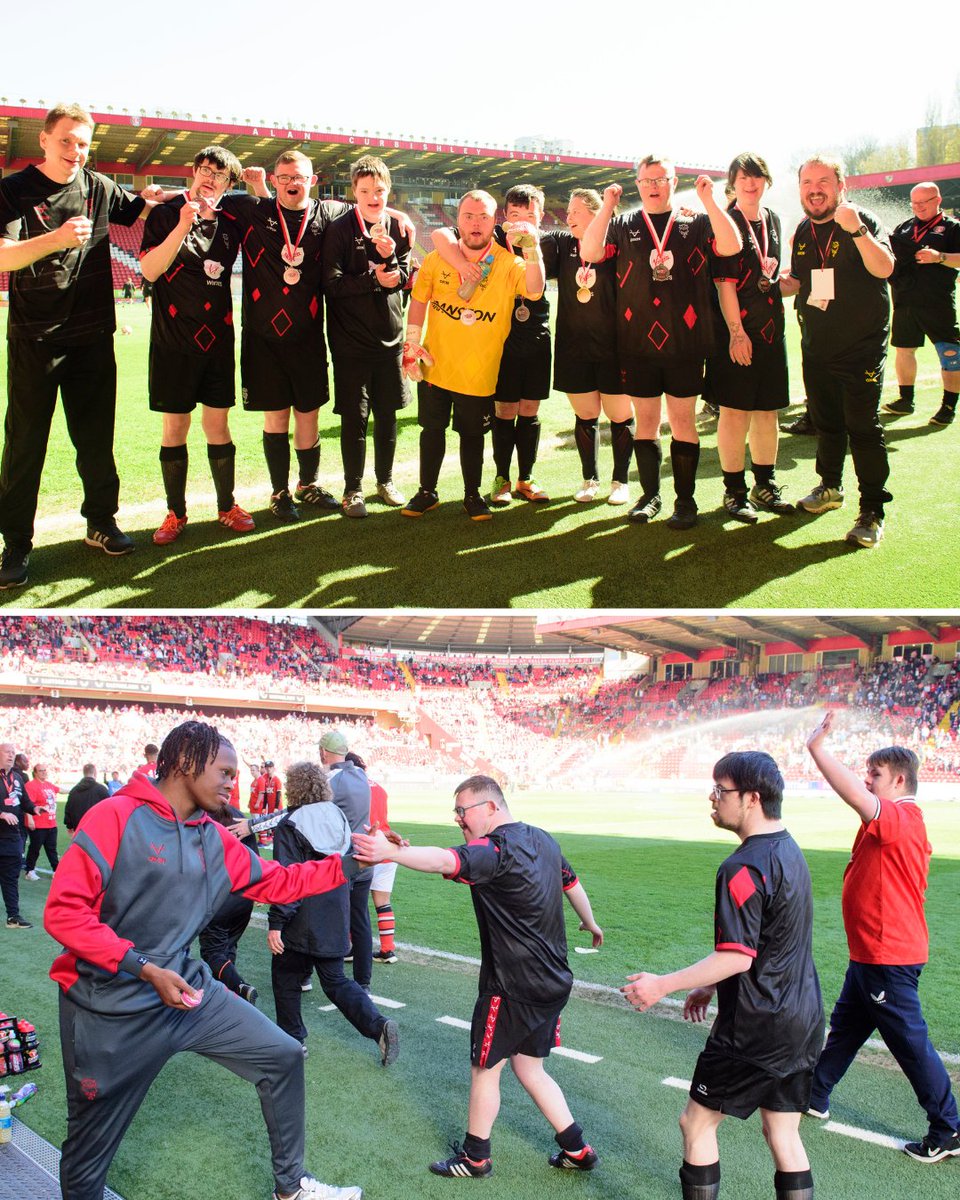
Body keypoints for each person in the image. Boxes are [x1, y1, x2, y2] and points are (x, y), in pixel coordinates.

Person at [44, 720, 362, 1200]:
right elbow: (64, 913)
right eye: (225, 772)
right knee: (87, 1157)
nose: (233, 782)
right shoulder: (115, 816)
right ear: (185, 762)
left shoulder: (211, 837)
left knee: (282, 1055)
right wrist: (143, 967)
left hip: (185, 993)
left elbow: (279, 881)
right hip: (107, 1009)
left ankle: (291, 1189)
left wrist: (354, 862)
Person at [353, 774, 603, 1179]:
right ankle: (577, 1148)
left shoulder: (495, 849)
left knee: (486, 1070)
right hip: (554, 981)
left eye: (462, 810)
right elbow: (571, 884)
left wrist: (390, 853)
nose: (457, 819)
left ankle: (475, 1158)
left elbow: (444, 861)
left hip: (512, 986)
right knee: (530, 1068)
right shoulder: (544, 840)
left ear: (490, 807)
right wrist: (590, 923)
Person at [623, 751, 823, 1200]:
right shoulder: (790, 850)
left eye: (721, 790)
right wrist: (710, 984)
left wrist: (661, 984)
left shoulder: (742, 867)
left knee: (696, 1124)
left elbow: (737, 957)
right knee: (782, 1133)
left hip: (755, 1028)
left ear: (751, 798)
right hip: (803, 1021)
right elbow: (767, 940)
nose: (713, 799)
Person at [0, 103, 170, 589]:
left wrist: (155, 197)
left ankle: (101, 522)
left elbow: (137, 207)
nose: (75, 151)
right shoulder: (13, 190)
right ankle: (15, 542)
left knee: (96, 438)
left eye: (82, 143)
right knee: (24, 443)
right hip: (36, 338)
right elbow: (3, 256)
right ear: (44, 140)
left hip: (93, 336)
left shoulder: (98, 186)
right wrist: (55, 239)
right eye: (66, 140)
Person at [804, 711, 960, 1163]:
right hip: (872, 954)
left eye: (875, 774)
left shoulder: (900, 817)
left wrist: (817, 748)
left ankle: (948, 1128)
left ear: (899, 780)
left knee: (909, 1043)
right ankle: (814, 1094)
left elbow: (853, 795)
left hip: (887, 955)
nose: (867, 781)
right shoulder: (898, 819)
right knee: (846, 1029)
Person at [580, 157, 741, 528]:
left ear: (674, 182)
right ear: (637, 184)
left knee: (683, 422)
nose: (653, 186)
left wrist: (710, 201)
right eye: (646, 180)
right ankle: (650, 496)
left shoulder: (696, 221)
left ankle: (685, 501)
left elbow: (731, 246)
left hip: (685, 343)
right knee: (647, 423)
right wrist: (606, 205)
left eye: (661, 179)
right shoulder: (622, 224)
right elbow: (589, 253)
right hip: (637, 343)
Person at [400, 189, 545, 521]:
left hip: (479, 372)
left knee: (473, 436)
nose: (476, 224)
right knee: (431, 431)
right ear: (458, 220)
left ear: (494, 222)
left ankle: (472, 495)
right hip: (435, 366)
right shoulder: (438, 258)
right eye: (468, 216)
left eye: (483, 217)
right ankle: (427, 492)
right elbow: (419, 299)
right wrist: (411, 342)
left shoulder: (509, 263)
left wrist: (532, 248)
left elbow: (535, 290)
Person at [141, 146, 255, 546]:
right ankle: (176, 513)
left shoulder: (232, 220)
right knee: (175, 427)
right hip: (172, 341)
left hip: (218, 340)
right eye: (204, 169)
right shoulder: (165, 215)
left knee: (218, 425)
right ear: (193, 171)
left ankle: (227, 506)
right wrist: (181, 224)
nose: (210, 177)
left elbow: (275, 208)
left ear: (228, 183)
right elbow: (150, 270)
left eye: (219, 174)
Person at [780, 157, 894, 549]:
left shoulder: (862, 220)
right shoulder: (803, 229)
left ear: (841, 186)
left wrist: (857, 230)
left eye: (823, 181)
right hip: (817, 345)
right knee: (827, 424)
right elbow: (801, 281)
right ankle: (830, 487)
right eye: (807, 182)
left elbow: (885, 268)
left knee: (862, 427)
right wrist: (771, 284)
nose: (815, 189)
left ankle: (872, 510)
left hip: (861, 348)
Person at [229, 152, 347, 521]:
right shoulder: (253, 209)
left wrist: (398, 214)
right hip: (263, 337)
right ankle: (279, 492)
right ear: (274, 180)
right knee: (276, 417)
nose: (291, 183)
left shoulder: (327, 213)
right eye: (284, 177)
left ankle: (307, 485)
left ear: (313, 180)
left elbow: (367, 210)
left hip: (308, 336)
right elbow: (203, 200)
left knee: (308, 414)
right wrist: (157, 197)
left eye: (298, 177)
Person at [268, 760, 399, 1065]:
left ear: (293, 788)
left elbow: (288, 879)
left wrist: (276, 922)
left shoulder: (291, 824)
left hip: (302, 913)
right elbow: (348, 865)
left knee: (285, 975)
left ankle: (293, 1040)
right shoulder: (337, 815)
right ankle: (378, 1026)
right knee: (335, 980)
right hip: (336, 908)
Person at [322, 155, 411, 518]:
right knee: (355, 419)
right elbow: (330, 284)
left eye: (379, 190)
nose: (373, 197)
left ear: (389, 190)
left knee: (387, 417)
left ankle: (385, 481)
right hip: (350, 343)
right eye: (365, 191)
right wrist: (373, 279)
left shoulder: (399, 227)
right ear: (354, 192)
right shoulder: (340, 229)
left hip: (389, 339)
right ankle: (353, 489)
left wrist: (392, 264)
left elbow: (404, 277)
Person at [707, 153, 794, 522]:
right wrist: (737, 333)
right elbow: (724, 283)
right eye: (743, 177)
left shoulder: (773, 219)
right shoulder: (724, 221)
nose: (750, 183)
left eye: (757, 176)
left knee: (766, 412)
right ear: (733, 183)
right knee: (734, 412)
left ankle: (765, 484)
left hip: (772, 330)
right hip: (736, 333)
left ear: (766, 181)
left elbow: (769, 276)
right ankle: (734, 491)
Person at [544, 188, 634, 505]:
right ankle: (590, 479)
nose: (568, 217)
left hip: (615, 347)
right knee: (586, 415)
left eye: (576, 211)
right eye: (567, 212)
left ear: (596, 213)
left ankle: (621, 481)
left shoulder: (617, 243)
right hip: (574, 348)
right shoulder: (561, 243)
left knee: (620, 415)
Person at [883, 183, 960, 426]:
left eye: (922, 202)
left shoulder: (952, 227)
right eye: (914, 203)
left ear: (937, 200)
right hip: (904, 300)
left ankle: (948, 406)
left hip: (937, 302)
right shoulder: (904, 227)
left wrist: (940, 257)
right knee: (904, 350)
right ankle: (906, 400)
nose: (917, 207)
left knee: (950, 352)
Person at [319, 730, 375, 991]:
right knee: (360, 921)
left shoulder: (330, 780)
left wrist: (252, 825)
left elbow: (301, 812)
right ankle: (363, 982)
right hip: (364, 858)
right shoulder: (361, 775)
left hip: (341, 863)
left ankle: (320, 977)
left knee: (328, 918)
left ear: (323, 752)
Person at [198, 797, 262, 1006]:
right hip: (244, 895)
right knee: (228, 947)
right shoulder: (239, 817)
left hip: (219, 896)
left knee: (213, 951)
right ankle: (226, 997)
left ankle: (239, 987)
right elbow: (255, 858)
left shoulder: (203, 818)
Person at [345, 751, 398, 964]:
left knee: (355, 903)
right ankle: (388, 950)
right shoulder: (379, 787)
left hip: (366, 848)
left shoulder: (351, 786)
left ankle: (351, 947)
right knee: (383, 903)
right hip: (387, 846)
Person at [0, 741, 35, 928]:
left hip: (12, 837)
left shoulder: (18, 778)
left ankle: (13, 917)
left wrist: (35, 809)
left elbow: (25, 802)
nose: (11, 755)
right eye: (7, 751)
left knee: (11, 878)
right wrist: (1, 814)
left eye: (13, 752)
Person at [24, 762, 60, 879]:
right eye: (41, 770)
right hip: (38, 823)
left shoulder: (48, 784)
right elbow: (28, 804)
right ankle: (29, 871)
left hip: (51, 823)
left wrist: (78, 789)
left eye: (45, 770)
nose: (44, 772)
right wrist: (30, 819)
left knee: (52, 849)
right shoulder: (31, 785)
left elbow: (60, 790)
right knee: (35, 848)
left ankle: (56, 870)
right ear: (35, 773)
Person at [63, 763, 109, 835]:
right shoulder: (101, 789)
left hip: (79, 831)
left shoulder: (74, 790)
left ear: (84, 773)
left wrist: (69, 825)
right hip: (96, 831)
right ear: (95, 773)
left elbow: (68, 809)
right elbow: (108, 810)